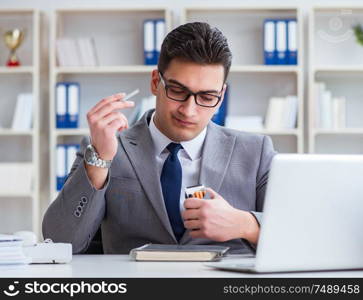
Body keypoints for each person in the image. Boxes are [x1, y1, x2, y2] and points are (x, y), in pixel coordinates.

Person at [42, 22, 276, 254]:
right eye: (177, 90)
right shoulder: (107, 148)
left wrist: (246, 225)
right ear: (156, 82)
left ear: (221, 95)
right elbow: (60, 240)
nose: (189, 110)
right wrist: (100, 160)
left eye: (206, 96)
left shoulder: (255, 152)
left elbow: (303, 234)